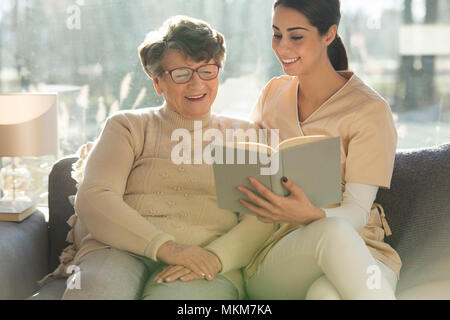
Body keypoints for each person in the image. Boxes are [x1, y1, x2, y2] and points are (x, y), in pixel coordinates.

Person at [56, 15, 273, 300]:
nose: (197, 84)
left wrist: (216, 258)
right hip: (117, 250)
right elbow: (95, 197)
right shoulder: (127, 126)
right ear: (158, 83)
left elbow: (260, 218)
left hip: (203, 260)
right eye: (182, 74)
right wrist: (168, 248)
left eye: (207, 70)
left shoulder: (242, 134)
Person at [237, 0, 402, 300]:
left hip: (365, 254)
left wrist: (311, 213)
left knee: (324, 294)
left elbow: (356, 212)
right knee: (332, 233)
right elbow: (248, 168)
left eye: (296, 36)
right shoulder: (272, 95)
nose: (282, 47)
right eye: (276, 34)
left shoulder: (369, 111)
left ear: (329, 34)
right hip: (281, 255)